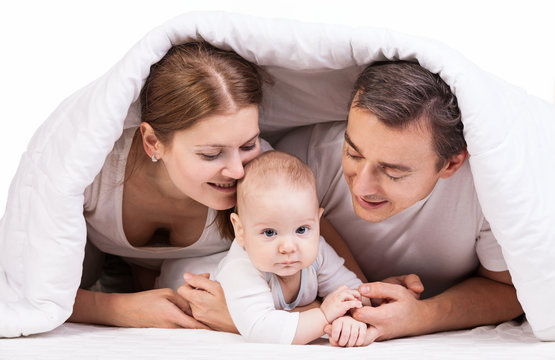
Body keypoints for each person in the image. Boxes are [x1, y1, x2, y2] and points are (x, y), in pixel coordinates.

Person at [276, 61, 524, 343]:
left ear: (451, 164)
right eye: (353, 153)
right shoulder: (302, 162)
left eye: (392, 171)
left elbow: (511, 289)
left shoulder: (486, 192)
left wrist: (422, 316)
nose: (361, 186)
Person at [71, 41, 269, 332]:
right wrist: (116, 308)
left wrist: (237, 319)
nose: (238, 170)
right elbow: (25, 288)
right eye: (211, 154)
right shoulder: (94, 170)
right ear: (153, 142)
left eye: (249, 144)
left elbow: (321, 261)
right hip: (97, 273)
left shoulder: (265, 175)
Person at [215, 150, 370, 346]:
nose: (288, 247)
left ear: (317, 221)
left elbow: (351, 293)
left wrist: (348, 318)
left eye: (302, 229)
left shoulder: (317, 252)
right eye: (270, 232)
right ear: (240, 230)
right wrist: (324, 315)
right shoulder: (241, 266)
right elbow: (261, 329)